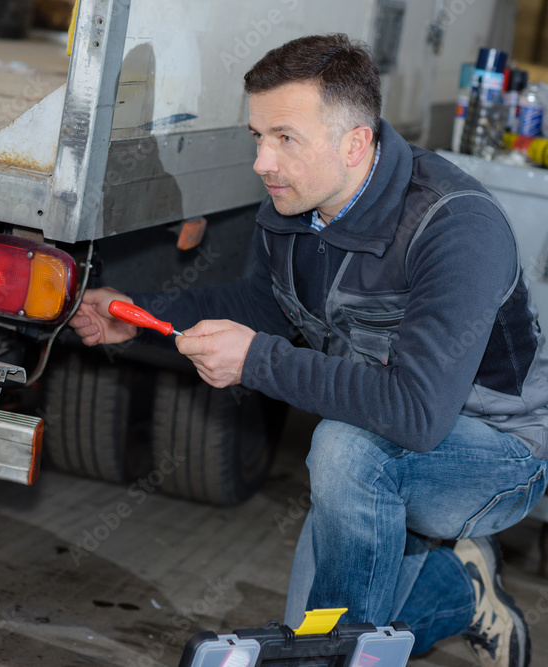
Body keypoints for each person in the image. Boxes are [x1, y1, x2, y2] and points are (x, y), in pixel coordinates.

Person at [70, 34, 548, 667]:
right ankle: (460, 593)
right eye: (257, 136)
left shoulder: (456, 226)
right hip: (379, 439)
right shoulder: (296, 209)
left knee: (346, 455)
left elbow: (417, 415)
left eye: (285, 138)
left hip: (501, 449)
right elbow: (267, 311)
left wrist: (257, 360)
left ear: (355, 144)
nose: (262, 162)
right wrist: (140, 315)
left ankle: (335, 656)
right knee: (335, 594)